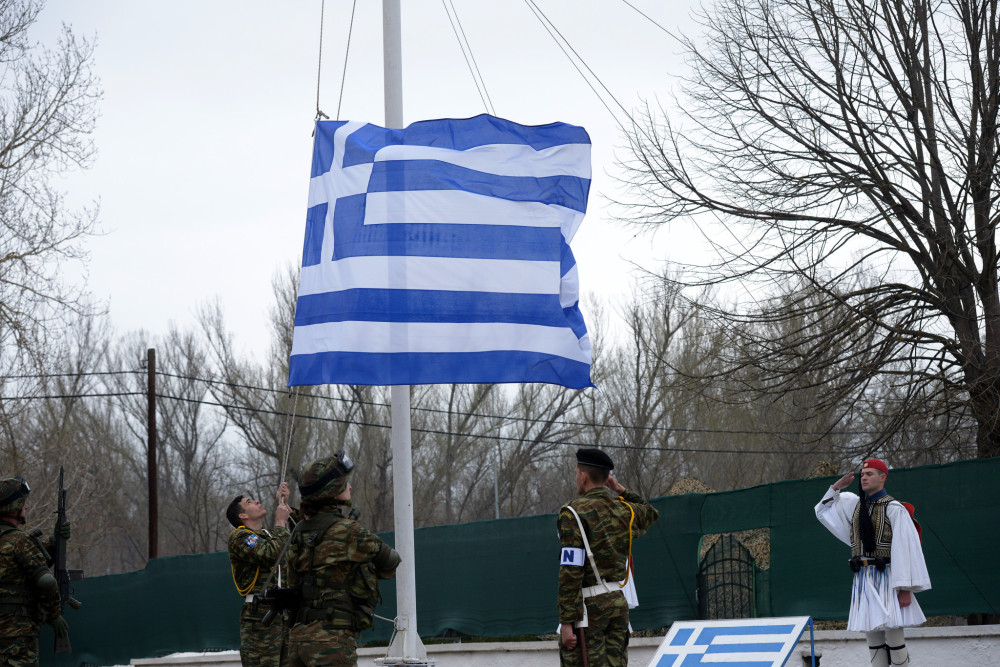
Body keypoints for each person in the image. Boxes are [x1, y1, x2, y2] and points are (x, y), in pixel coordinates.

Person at [285, 450, 401, 667]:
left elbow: (293, 582)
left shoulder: (298, 531)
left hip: (297, 639)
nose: (349, 487)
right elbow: (391, 560)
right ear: (331, 491)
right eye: (344, 483)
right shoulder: (349, 531)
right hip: (332, 641)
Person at [815, 458, 931, 667]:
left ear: (883, 477)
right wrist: (835, 488)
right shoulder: (853, 505)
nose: (864, 478)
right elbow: (823, 512)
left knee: (895, 640)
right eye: (863, 475)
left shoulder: (895, 508)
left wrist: (905, 588)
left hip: (888, 578)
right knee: (874, 644)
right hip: (863, 579)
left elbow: (905, 549)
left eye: (870, 474)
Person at [557, 448, 659, 667]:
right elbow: (650, 512)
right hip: (617, 604)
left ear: (583, 476)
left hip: (588, 609)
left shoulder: (573, 513)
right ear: (606, 478)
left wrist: (566, 622)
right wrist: (621, 491)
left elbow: (570, 572)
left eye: (577, 472)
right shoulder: (624, 510)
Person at [0, 476, 69, 666]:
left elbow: (18, 567)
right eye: (23, 503)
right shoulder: (21, 542)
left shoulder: (18, 543)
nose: (27, 507)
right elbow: (46, 581)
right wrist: (54, 615)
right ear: (14, 508)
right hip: (16, 643)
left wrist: (54, 542)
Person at [227, 481, 293, 667]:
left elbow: (295, 539)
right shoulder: (239, 537)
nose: (257, 501)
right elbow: (271, 553)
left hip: (284, 615)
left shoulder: (270, 535)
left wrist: (286, 507)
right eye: (250, 502)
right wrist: (280, 521)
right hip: (260, 616)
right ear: (242, 515)